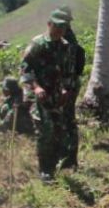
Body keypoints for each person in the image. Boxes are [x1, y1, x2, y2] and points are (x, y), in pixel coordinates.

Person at [21, 9, 83, 179]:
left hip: (56, 95)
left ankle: (55, 165)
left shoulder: (65, 47)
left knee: (59, 130)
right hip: (39, 95)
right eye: (57, 26)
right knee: (45, 130)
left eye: (64, 27)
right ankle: (45, 170)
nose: (60, 30)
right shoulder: (38, 44)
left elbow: (65, 72)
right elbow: (26, 70)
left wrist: (64, 88)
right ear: (49, 24)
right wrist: (36, 87)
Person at [58, 7, 85, 170]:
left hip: (66, 86)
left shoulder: (67, 41)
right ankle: (69, 157)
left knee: (65, 120)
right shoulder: (70, 38)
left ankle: (67, 158)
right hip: (70, 84)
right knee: (67, 120)